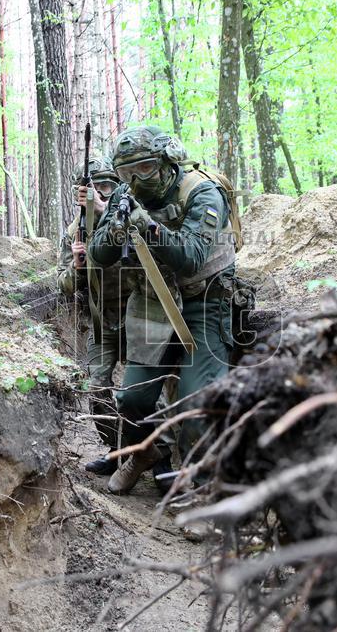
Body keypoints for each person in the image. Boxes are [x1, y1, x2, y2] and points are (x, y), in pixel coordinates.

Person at [88, 125, 235, 495]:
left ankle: (201, 491)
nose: (136, 179)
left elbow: (191, 257)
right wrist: (116, 227)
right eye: (126, 173)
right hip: (153, 301)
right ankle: (144, 453)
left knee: (197, 402)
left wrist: (148, 227)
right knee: (132, 399)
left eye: (146, 168)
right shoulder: (126, 193)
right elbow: (98, 255)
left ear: (168, 161)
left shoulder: (202, 192)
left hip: (206, 302)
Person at [57, 157, 174, 478]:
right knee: (97, 389)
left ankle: (162, 457)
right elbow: (63, 284)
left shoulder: (128, 218)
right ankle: (119, 450)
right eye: (93, 188)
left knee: (147, 390)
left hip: (141, 314)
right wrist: (77, 266)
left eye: (107, 186)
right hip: (101, 318)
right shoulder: (75, 230)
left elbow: (155, 258)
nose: (100, 193)